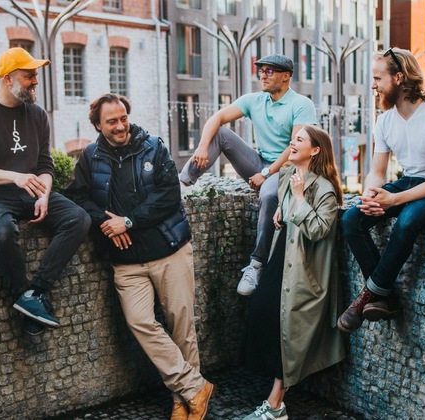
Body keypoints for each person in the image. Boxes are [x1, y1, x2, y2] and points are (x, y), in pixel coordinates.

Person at [65, 94, 214, 420]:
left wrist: (128, 221)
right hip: (127, 264)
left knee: (181, 327)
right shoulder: (90, 157)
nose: (120, 126)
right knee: (141, 323)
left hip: (169, 251)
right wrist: (106, 222)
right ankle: (195, 387)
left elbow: (169, 195)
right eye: (111, 121)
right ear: (98, 126)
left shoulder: (154, 148)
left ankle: (182, 401)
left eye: (123, 118)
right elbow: (76, 198)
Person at [0, 47, 91, 336]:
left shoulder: (37, 114)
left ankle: (36, 293)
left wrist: (44, 192)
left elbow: (44, 163)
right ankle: (22, 293)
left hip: (31, 190)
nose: (35, 81)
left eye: (35, 75)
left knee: (78, 219)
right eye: (29, 75)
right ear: (8, 79)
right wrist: (15, 177)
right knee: (4, 231)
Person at [336, 48, 425, 333]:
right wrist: (370, 195)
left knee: (405, 222)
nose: (373, 85)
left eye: (378, 78)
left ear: (399, 78)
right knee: (350, 220)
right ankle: (385, 296)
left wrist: (394, 199)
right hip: (408, 180)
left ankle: (365, 298)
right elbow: (378, 171)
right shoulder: (385, 121)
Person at [178, 54, 317, 296]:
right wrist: (201, 146)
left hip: (286, 169)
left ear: (286, 76)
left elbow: (295, 148)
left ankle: (256, 264)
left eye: (269, 71)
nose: (263, 75)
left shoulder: (301, 104)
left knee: (269, 195)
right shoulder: (255, 100)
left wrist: (266, 173)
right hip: (260, 163)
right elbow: (217, 118)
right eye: (260, 70)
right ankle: (182, 183)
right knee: (220, 134)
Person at [241, 126, 345, 420]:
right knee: (261, 314)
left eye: (299, 140)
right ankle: (271, 398)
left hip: (303, 271)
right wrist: (282, 211)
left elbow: (317, 230)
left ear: (315, 150)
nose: (292, 143)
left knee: (288, 332)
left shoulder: (324, 189)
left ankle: (276, 406)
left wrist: (298, 200)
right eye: (293, 139)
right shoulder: (287, 175)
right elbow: (284, 209)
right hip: (281, 260)